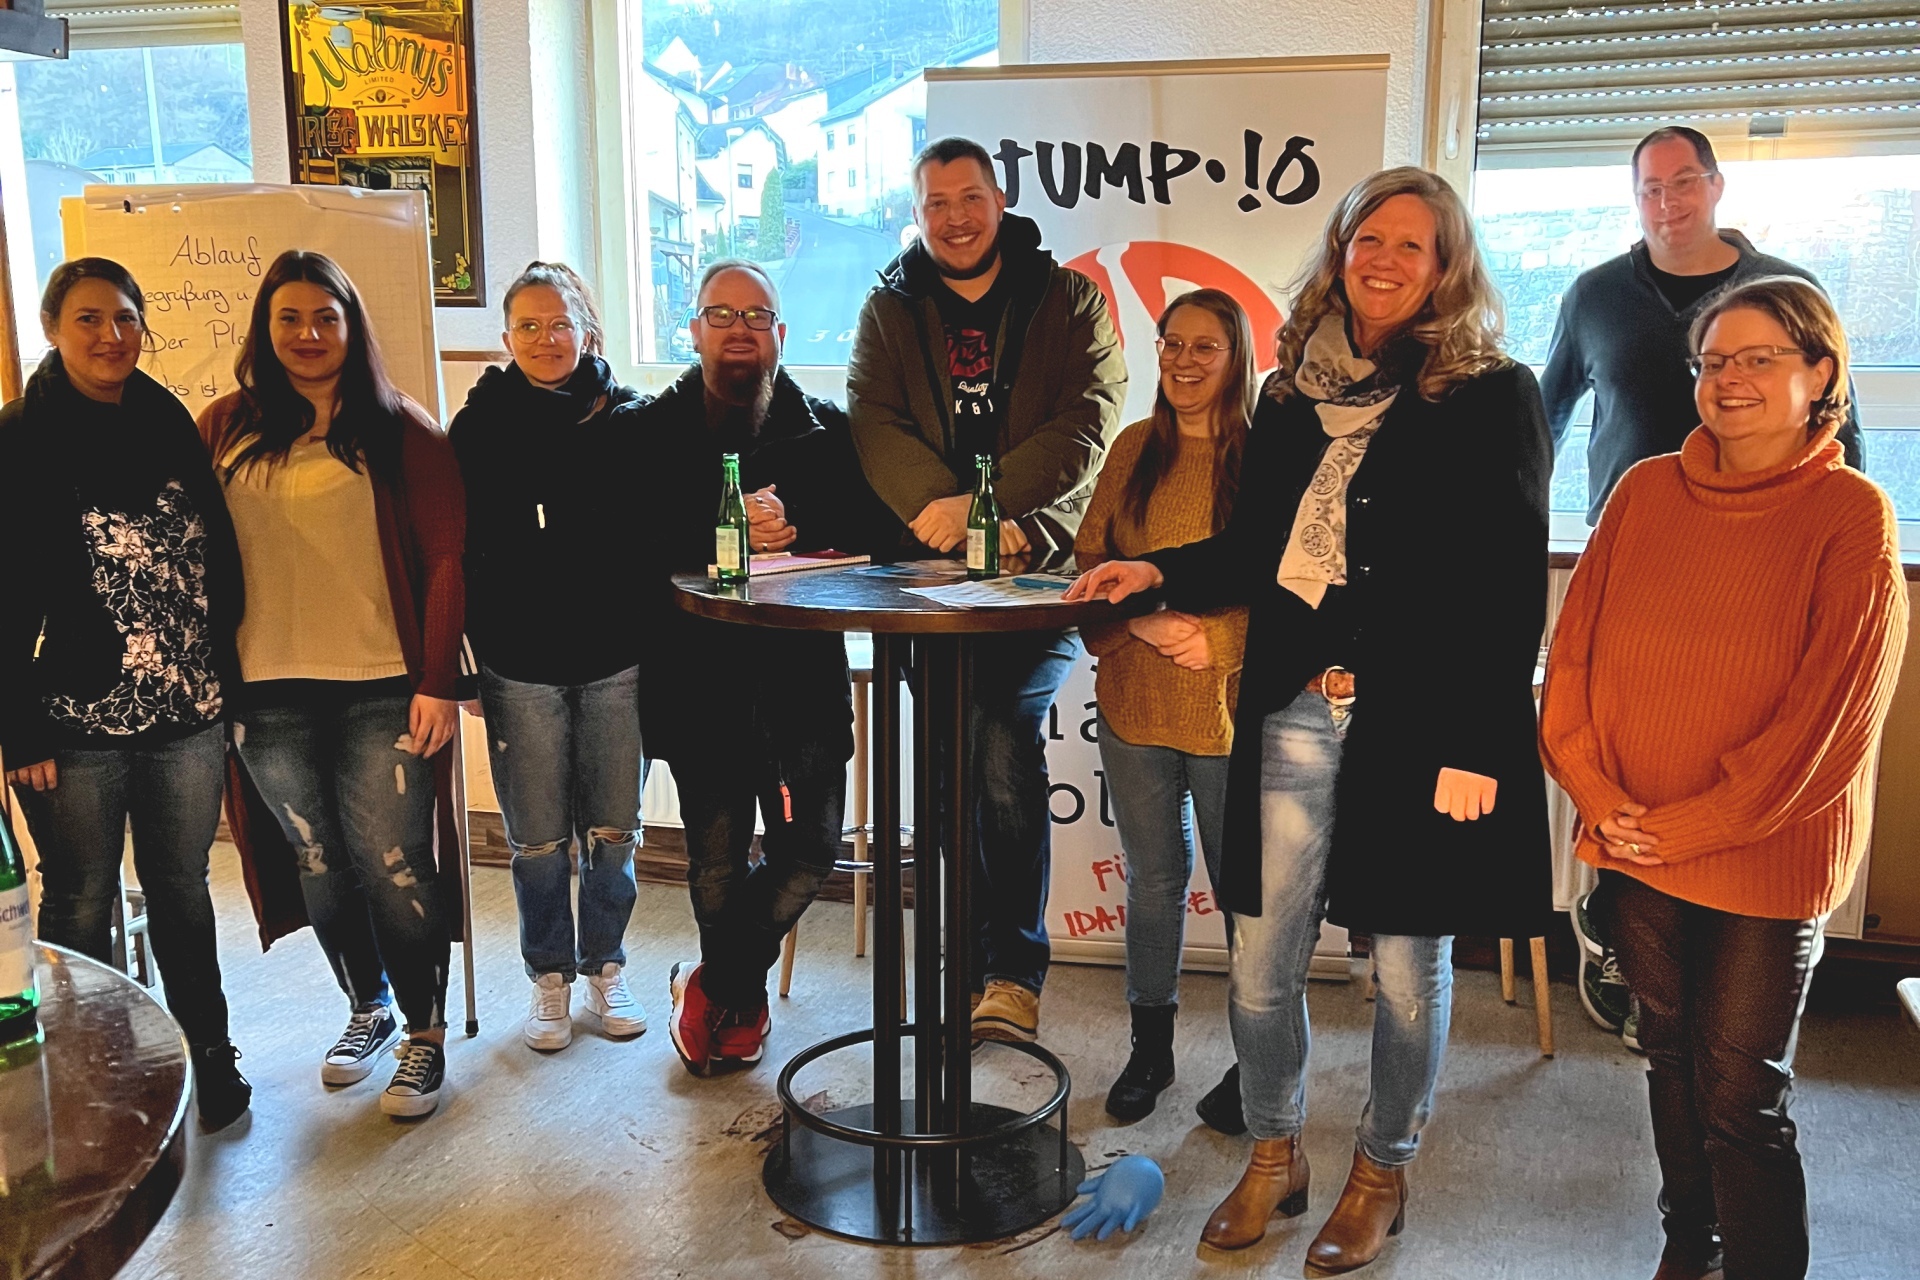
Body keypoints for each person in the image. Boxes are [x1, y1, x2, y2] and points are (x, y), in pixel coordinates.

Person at [1067, 167, 1554, 1271]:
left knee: (1399, 969)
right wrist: (1152, 569)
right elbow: (1254, 553)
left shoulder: (1492, 392)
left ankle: (1382, 1168)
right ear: (1339, 249)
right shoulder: (1291, 395)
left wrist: (1480, 739)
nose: (1383, 259)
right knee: (1258, 961)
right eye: (1366, 237)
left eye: (1412, 246)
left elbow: (1507, 579)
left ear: (1446, 270)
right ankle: (1275, 1155)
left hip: (1419, 720)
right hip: (1291, 709)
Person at [1541, 276, 1906, 1280]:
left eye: (1759, 358)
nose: (1728, 379)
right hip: (1636, 841)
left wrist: (1692, 823)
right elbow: (1570, 660)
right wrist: (1598, 792)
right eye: (1712, 361)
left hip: (1760, 856)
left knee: (1740, 1092)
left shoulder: (1852, 513)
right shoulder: (1644, 490)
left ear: (1819, 373)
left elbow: (1828, 723)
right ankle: (1685, 1243)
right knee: (1668, 1058)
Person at [1541, 127, 1866, 1046]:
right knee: (1628, 747)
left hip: (1759, 567)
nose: (1667, 201)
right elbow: (1545, 417)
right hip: (1634, 554)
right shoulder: (1595, 294)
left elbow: (1845, 449)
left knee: (1744, 756)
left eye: (1685, 182)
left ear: (1717, 187)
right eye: (1649, 187)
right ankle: (1611, 913)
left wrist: (1841, 530)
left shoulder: (1780, 293)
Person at [847, 135, 1126, 1043]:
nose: (955, 219)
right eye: (937, 204)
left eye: (970, 199)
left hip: (1036, 567)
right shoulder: (889, 306)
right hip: (925, 574)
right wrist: (943, 511)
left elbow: (1089, 418)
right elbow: (872, 415)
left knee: (998, 738)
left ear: (999, 204)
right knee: (949, 765)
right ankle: (964, 964)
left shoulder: (1068, 297)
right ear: (918, 213)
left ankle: (1009, 969)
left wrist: (987, 507)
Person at [201, 251, 464, 1120]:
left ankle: (425, 1037)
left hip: (383, 686)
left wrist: (437, 682)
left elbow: (445, 561)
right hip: (265, 691)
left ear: (352, 328)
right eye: (290, 319)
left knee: (394, 865)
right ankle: (368, 1009)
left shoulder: (400, 428)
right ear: (265, 329)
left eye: (326, 318)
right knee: (318, 867)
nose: (308, 336)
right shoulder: (224, 427)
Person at [0, 258, 251, 1131]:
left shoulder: (166, 417)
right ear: (52, 328)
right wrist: (16, 727)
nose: (111, 336)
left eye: (124, 319)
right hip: (72, 720)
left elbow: (208, 550)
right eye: (89, 320)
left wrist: (225, 672)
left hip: (186, 706)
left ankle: (207, 1057)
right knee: (80, 898)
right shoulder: (19, 435)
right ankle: (94, 1076)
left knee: (182, 888)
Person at [641, 258, 900, 1077]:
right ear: (696, 332)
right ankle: (742, 1009)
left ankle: (712, 987)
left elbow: (870, 535)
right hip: (698, 687)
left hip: (801, 688)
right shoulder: (651, 429)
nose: (741, 329)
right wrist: (718, 530)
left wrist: (798, 526)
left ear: (782, 334)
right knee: (715, 862)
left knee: (811, 851)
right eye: (723, 315)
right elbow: (625, 541)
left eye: (757, 316)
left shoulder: (827, 427)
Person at [450, 262, 648, 1053]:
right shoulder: (476, 426)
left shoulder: (627, 417)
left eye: (559, 323)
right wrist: (464, 663)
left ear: (586, 330)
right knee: (535, 836)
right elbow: (455, 552)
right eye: (528, 326)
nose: (545, 338)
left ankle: (605, 963)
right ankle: (549, 978)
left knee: (614, 828)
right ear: (506, 339)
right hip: (518, 662)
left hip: (615, 657)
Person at [1072, 288, 1253, 1125]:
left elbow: (1275, 578)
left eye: (1203, 348)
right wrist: (1141, 622)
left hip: (1225, 704)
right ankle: (1152, 1050)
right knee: (1154, 880)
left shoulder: (1261, 456)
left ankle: (1258, 1062)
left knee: (1244, 891)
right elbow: (1092, 555)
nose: (1183, 362)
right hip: (1134, 700)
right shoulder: (1134, 445)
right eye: (1171, 344)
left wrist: (1210, 637)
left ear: (1236, 356)